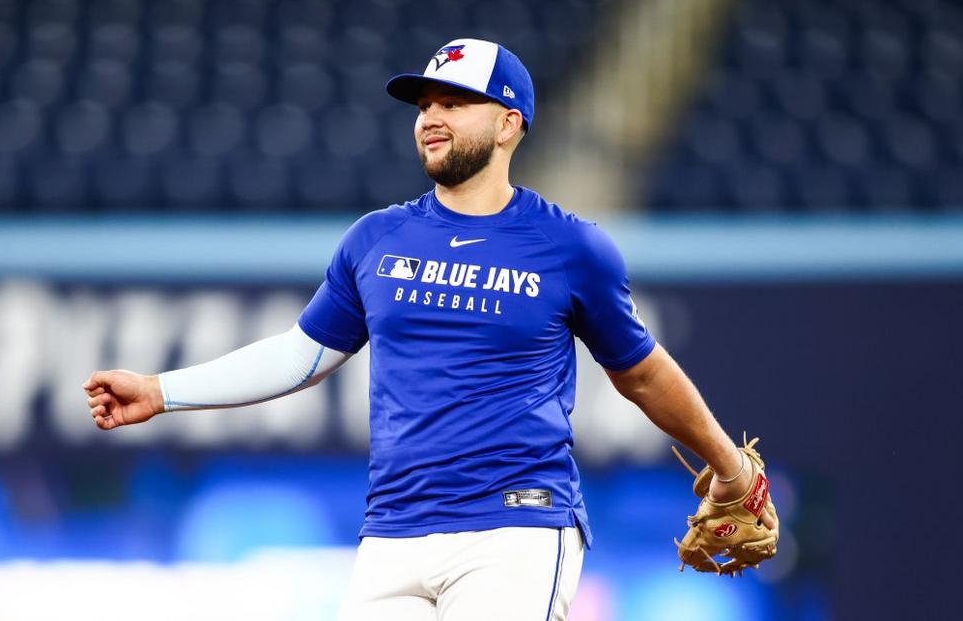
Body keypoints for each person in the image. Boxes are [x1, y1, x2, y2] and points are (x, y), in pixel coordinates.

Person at [82, 38, 775, 620]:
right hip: (392, 533)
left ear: (508, 123)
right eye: (423, 105)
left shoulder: (570, 248)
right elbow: (301, 355)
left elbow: (642, 372)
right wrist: (161, 389)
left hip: (516, 525)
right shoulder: (375, 239)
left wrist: (727, 464)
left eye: (452, 102)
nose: (429, 117)